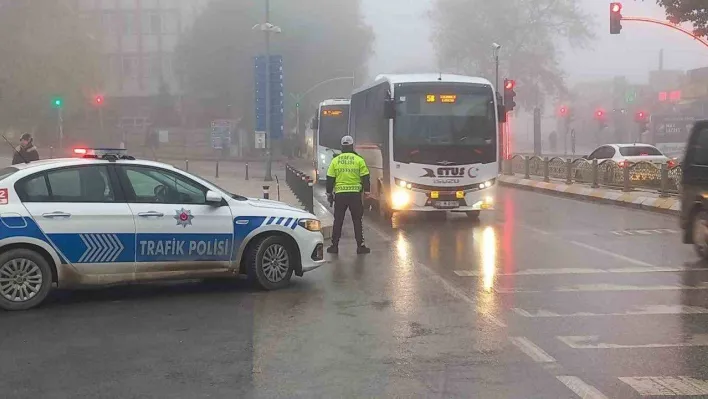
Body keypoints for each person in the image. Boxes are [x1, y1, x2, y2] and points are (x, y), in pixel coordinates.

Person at [326, 135, 371, 255]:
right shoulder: (359, 160)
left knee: (338, 221)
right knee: (357, 220)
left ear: (341, 147)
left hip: (340, 195)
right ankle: (360, 246)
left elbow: (330, 178)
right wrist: (367, 191)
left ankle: (334, 246)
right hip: (355, 195)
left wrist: (329, 192)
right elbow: (365, 176)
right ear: (352, 146)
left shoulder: (335, 160)